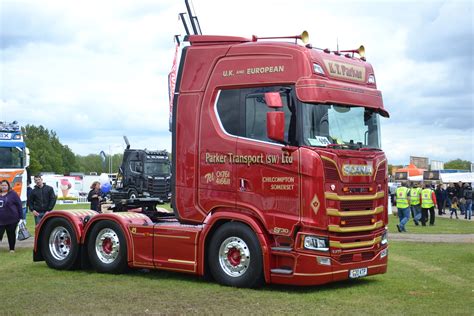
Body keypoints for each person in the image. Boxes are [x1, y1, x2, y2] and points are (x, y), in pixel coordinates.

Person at [0, 180, 24, 253]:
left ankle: (12, 249)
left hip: (12, 219)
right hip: (0, 219)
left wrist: (21, 217)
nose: (4, 187)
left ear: (8, 186)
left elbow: (19, 205)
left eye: (5, 185)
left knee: (11, 234)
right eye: (2, 185)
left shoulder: (13, 194)